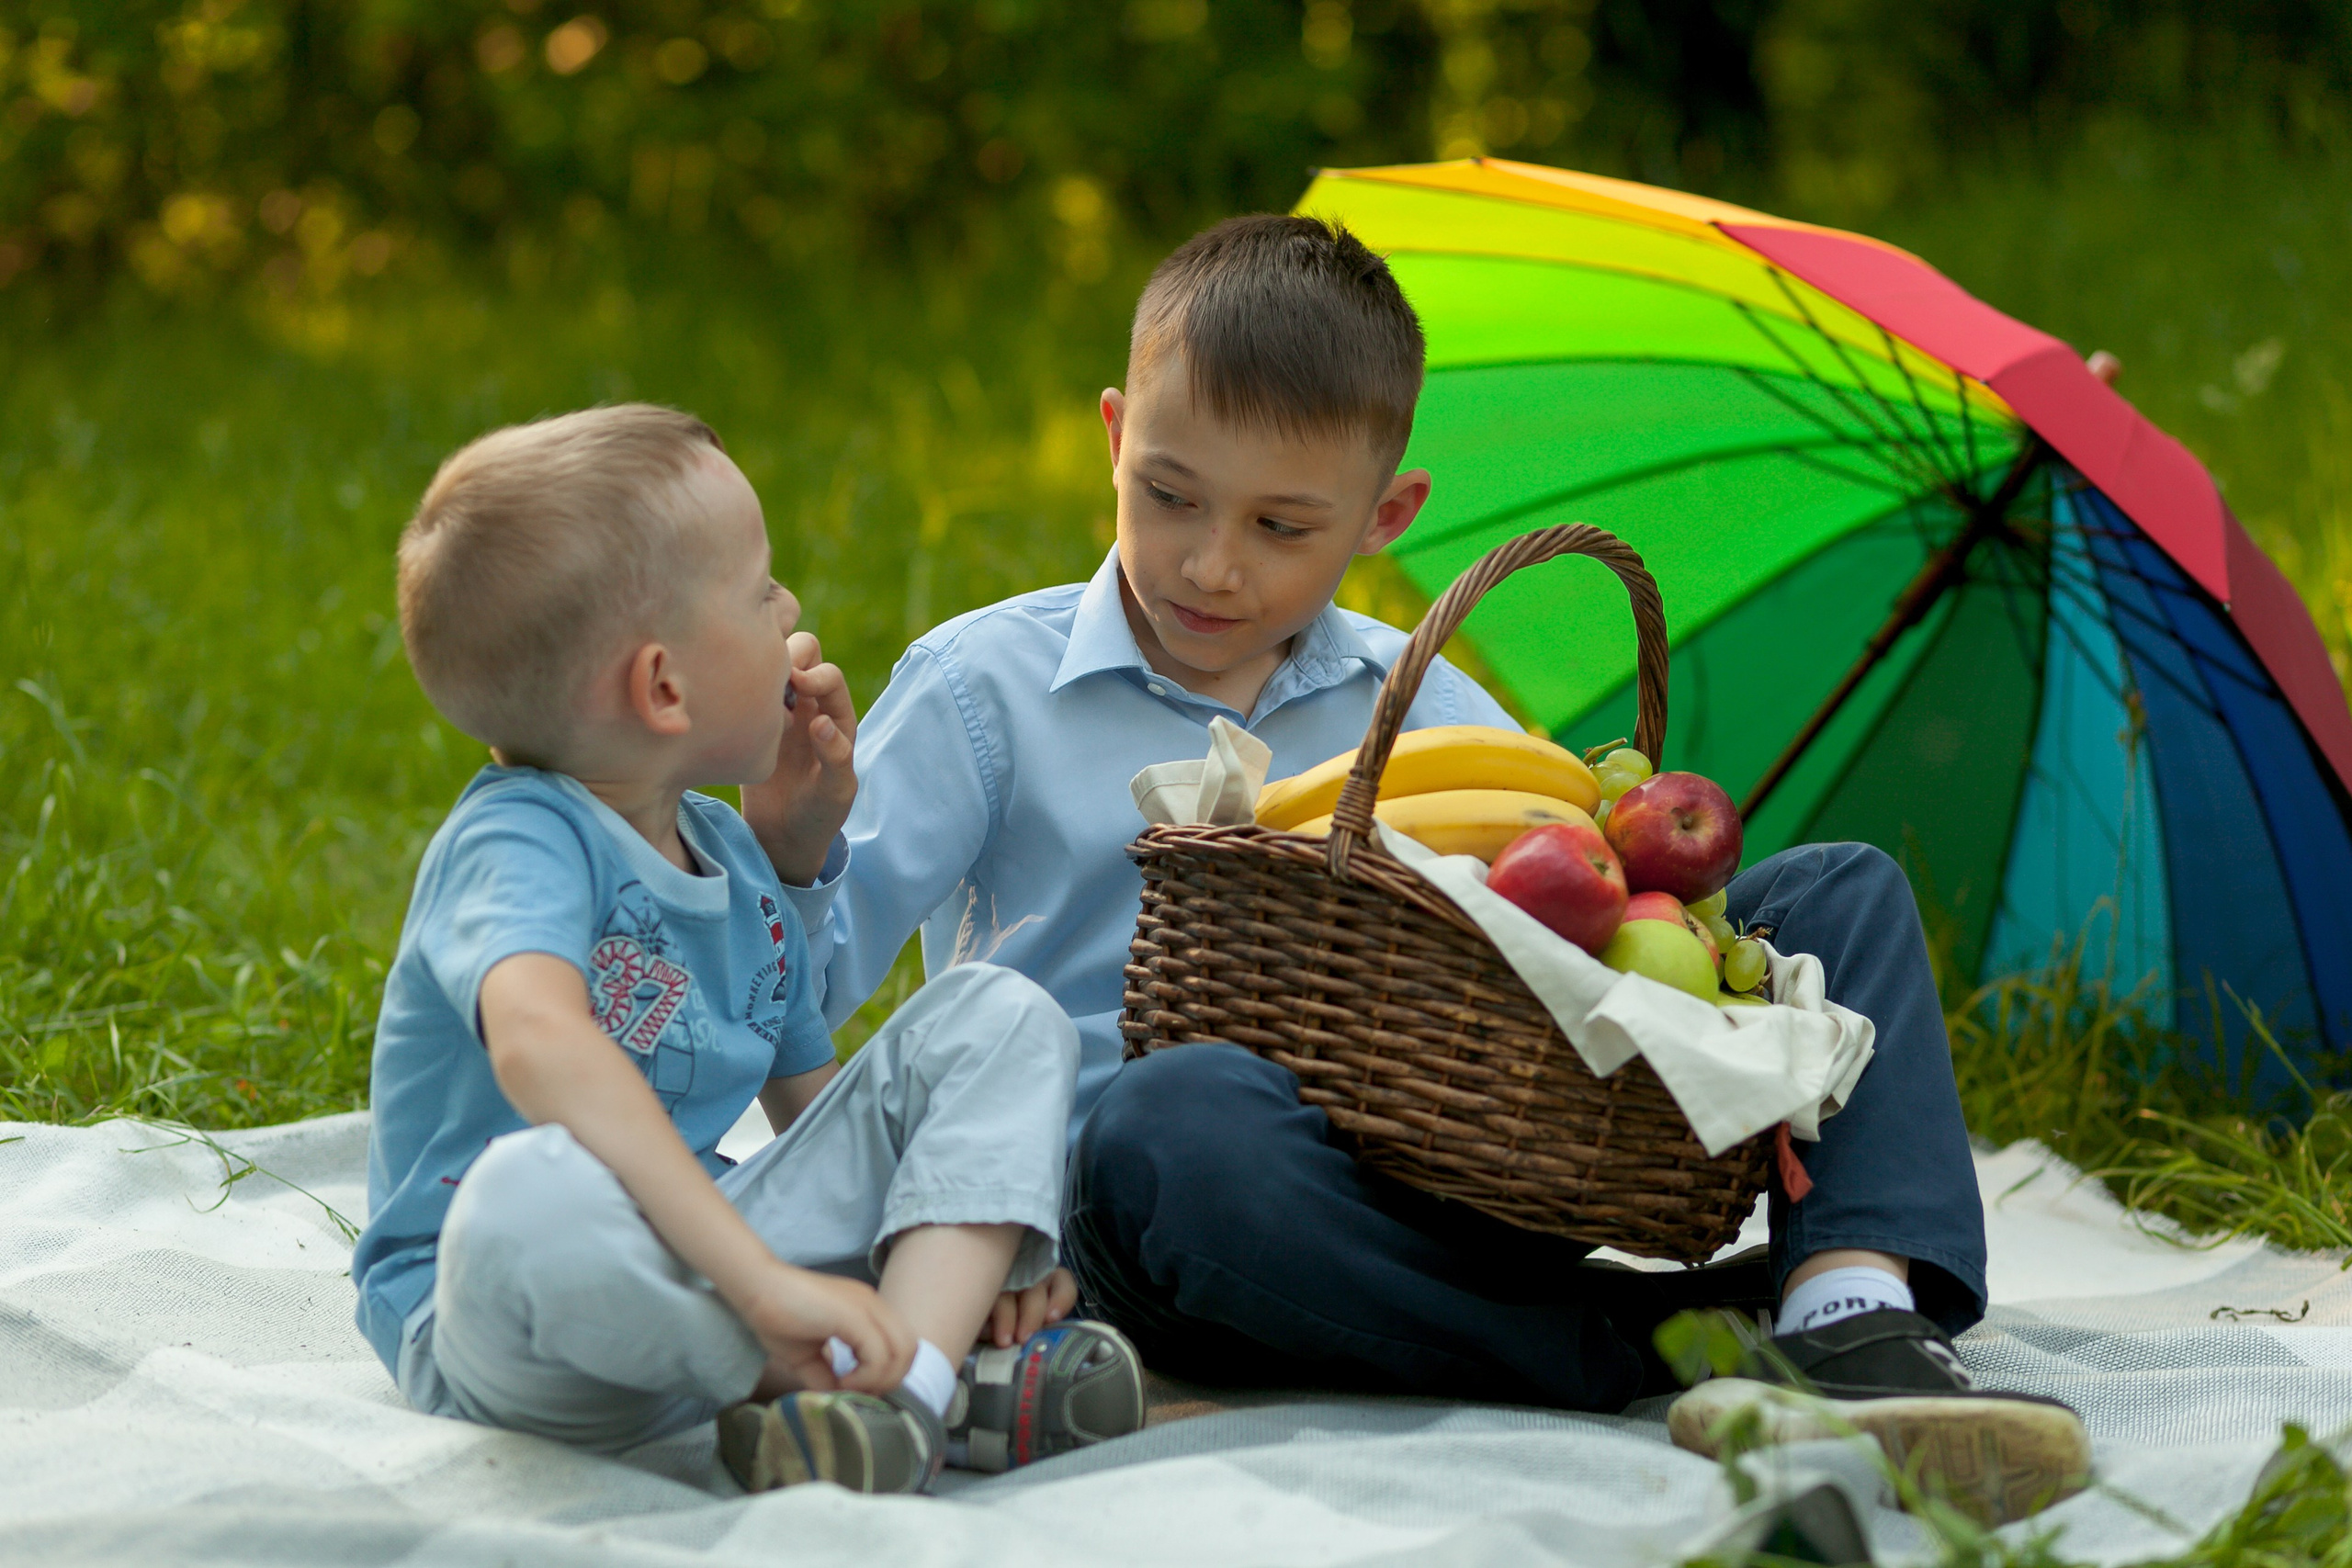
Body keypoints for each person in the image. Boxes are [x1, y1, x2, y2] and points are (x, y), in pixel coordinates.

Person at [784, 214, 2090, 1524]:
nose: (1211, 560)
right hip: (1168, 1210)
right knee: (1170, 1117)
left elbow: (1564, 925)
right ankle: (1643, 1340)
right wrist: (799, 853)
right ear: (1116, 435)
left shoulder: (1422, 702)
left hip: (1437, 1174)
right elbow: (802, 979)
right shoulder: (984, 690)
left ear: (1383, 514)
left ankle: (1848, 1307)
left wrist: (1663, 913)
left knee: (1837, 890)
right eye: (1169, 493)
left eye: (1283, 523)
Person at [352, 404, 1145, 1496]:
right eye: (760, 589)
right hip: (514, 1313)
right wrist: (763, 1290)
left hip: (718, 1255)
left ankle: (896, 1399)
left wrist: (977, 1218)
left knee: (1000, 1012)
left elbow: (827, 1123)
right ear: (664, 687)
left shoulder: (728, 851)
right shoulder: (520, 838)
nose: (792, 609)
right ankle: (839, 1373)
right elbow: (538, 1045)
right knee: (523, 1190)